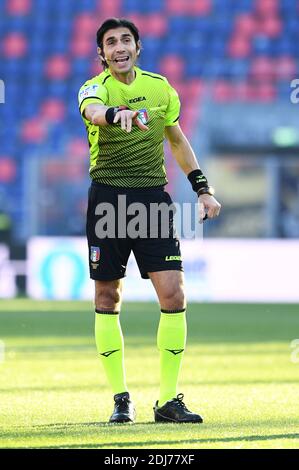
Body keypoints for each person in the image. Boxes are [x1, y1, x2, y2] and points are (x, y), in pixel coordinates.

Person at [78, 17, 221, 424]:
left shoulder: (160, 88)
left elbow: (175, 138)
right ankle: (121, 399)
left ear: (138, 47)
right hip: (108, 200)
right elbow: (91, 110)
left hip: (152, 202)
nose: (119, 47)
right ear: (102, 54)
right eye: (111, 42)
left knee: (173, 295)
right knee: (108, 297)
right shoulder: (95, 88)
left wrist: (202, 188)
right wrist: (113, 115)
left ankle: (168, 401)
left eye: (126, 40)